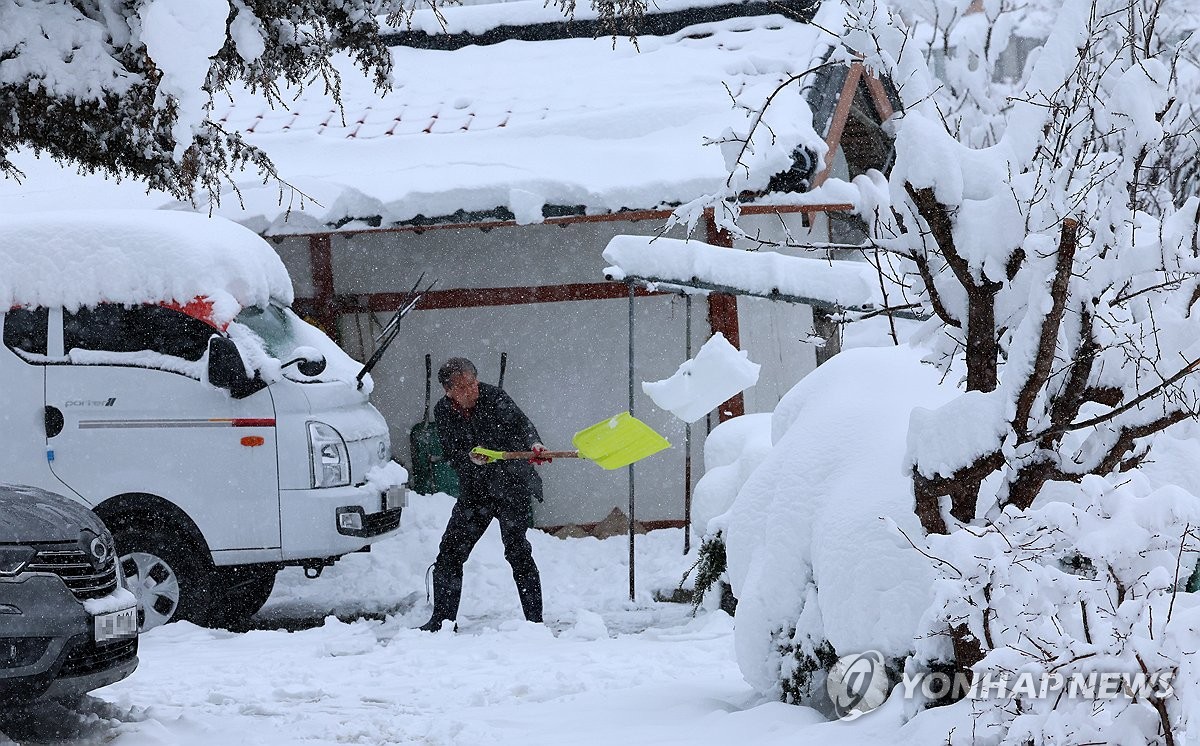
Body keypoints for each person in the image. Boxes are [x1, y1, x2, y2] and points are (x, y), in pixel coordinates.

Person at [419, 357, 551, 632]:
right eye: (464, 386)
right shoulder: (443, 412)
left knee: (517, 551)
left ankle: (535, 622)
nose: (472, 390)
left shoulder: (495, 397)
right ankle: (441, 622)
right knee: (450, 552)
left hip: (511, 484)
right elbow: (452, 453)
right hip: (476, 491)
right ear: (449, 391)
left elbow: (523, 425)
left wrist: (535, 444)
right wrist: (469, 458)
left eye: (473, 382)